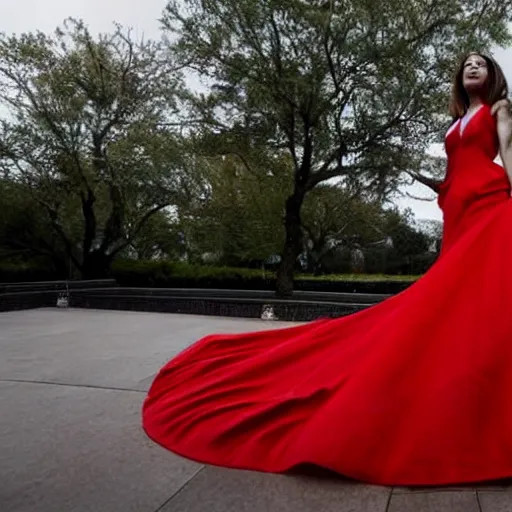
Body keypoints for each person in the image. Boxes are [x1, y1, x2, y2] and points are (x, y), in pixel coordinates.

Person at [142, 52, 512, 486]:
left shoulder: (500, 109)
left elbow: (506, 152)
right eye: (466, 64)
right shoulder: (455, 120)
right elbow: (456, 164)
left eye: (481, 64)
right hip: (459, 208)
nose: (472, 68)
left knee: (482, 294)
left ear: (493, 75)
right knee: (451, 300)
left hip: (490, 205)